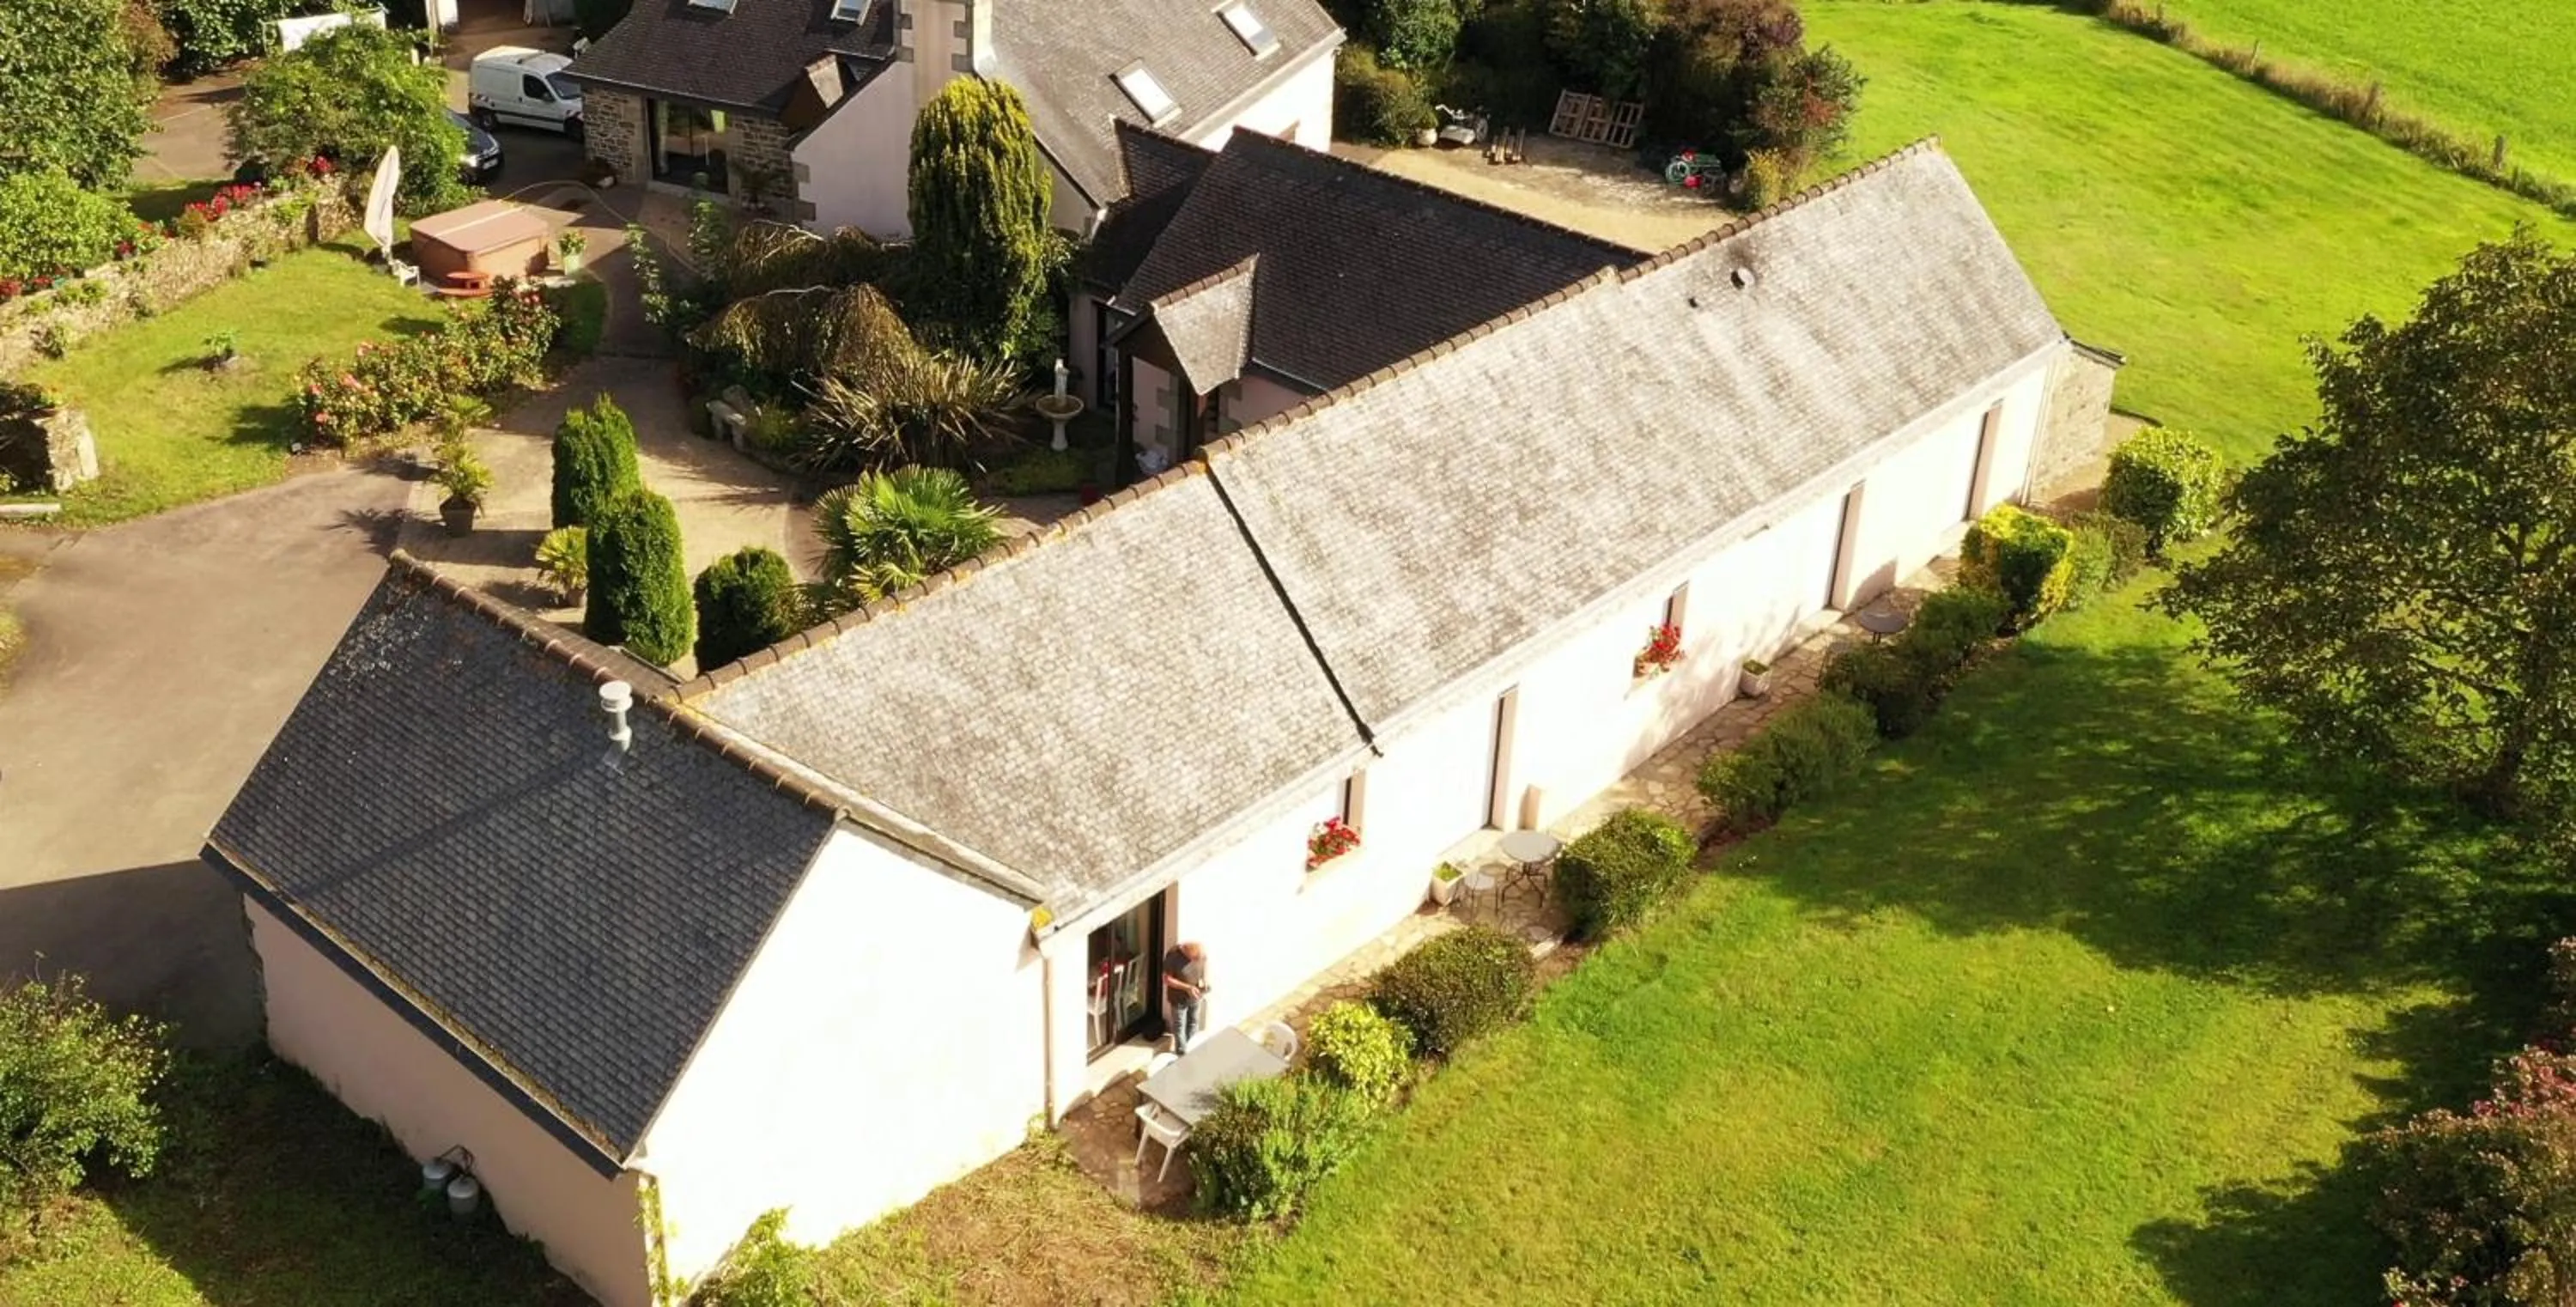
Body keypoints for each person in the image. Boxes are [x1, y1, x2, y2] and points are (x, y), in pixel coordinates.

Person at [1163, 941, 1208, 1051]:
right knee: (1179, 1026)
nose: (1196, 961)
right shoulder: (1174, 956)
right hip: (1178, 999)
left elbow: (1205, 966)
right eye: (1194, 959)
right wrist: (1188, 988)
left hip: (1195, 996)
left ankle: (1190, 1049)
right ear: (1188, 954)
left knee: (1193, 1023)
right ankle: (1182, 1052)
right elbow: (1167, 979)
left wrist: (1204, 981)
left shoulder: (1200, 955)